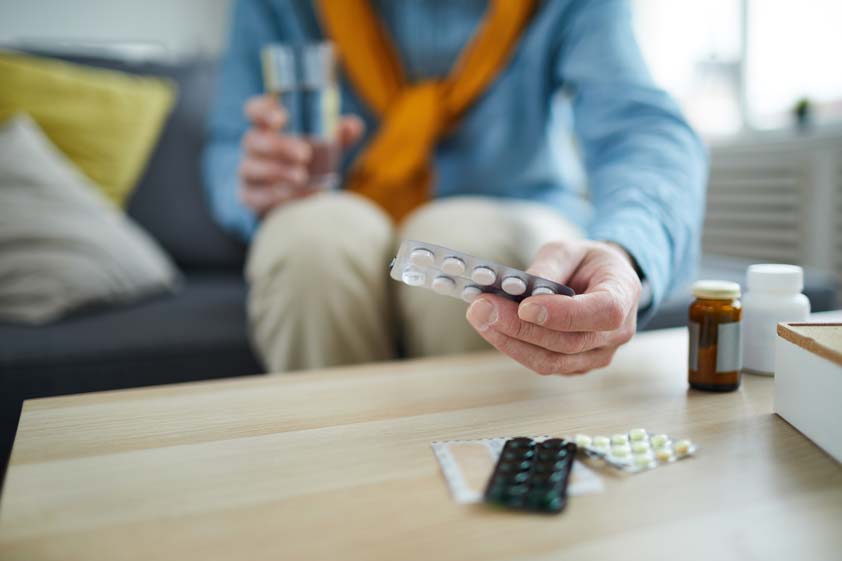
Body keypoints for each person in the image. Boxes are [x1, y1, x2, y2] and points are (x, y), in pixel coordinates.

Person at [203, 0, 707, 375]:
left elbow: (641, 129)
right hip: (337, 203)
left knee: (465, 244)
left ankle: (486, 481)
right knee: (310, 241)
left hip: (519, 206)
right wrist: (254, 182)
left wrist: (625, 252)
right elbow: (229, 144)